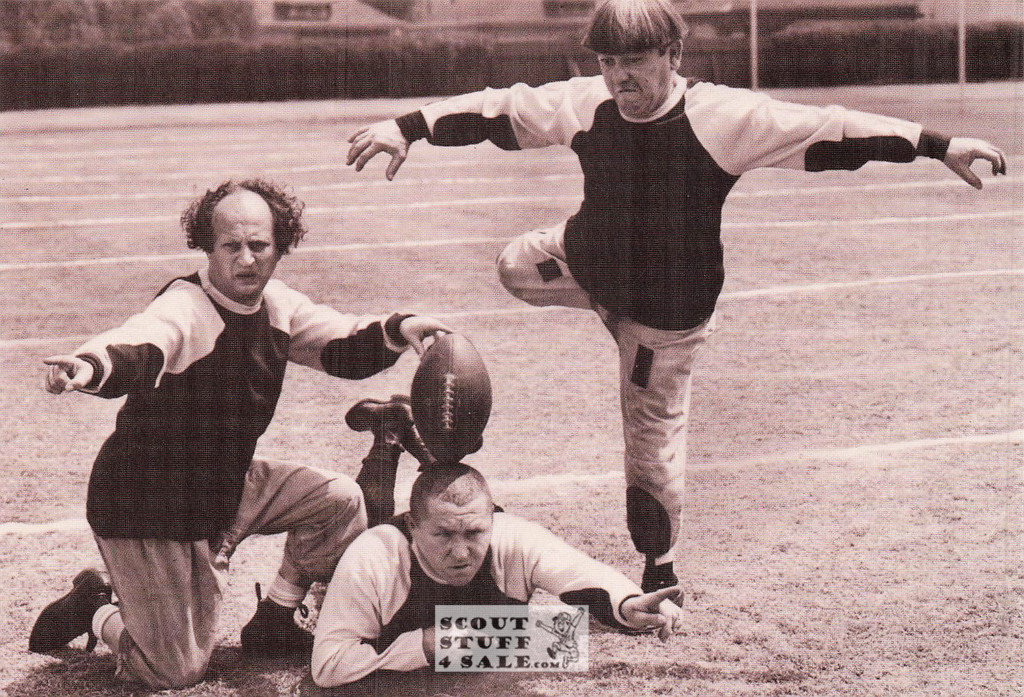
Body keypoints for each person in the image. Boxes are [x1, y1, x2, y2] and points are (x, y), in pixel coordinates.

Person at [344, 0, 1009, 594]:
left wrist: (937, 144)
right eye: (608, 62)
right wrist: (410, 125)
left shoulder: (723, 117)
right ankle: (595, 291)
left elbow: (830, 129)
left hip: (662, 320)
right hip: (585, 265)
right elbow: (501, 108)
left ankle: (659, 566)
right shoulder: (588, 102)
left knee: (650, 457)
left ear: (673, 55)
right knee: (514, 263)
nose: (619, 78)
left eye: (634, 62)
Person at [27, 179, 451, 690]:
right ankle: (97, 604)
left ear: (280, 246)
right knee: (173, 670)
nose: (246, 260)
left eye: (259, 245)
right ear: (207, 247)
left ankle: (277, 616)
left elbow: (341, 344)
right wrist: (89, 366)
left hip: (223, 488)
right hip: (144, 503)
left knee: (338, 501)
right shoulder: (188, 307)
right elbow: (140, 345)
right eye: (231, 246)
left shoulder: (277, 306)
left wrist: (399, 328)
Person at [310, 463, 686, 689]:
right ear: (413, 526)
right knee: (561, 637)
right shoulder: (374, 557)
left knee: (563, 639)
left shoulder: (513, 536)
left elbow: (581, 575)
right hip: (362, 602)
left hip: (477, 629)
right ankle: (386, 446)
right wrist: (428, 645)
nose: (460, 553)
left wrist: (627, 605)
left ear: (493, 520)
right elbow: (327, 666)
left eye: (474, 533)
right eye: (442, 534)